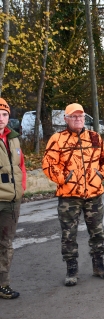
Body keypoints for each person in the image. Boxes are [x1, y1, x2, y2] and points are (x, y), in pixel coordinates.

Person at [42, 103, 104, 287]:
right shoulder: (57, 139)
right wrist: (65, 179)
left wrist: (101, 174)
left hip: (93, 194)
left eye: (80, 116)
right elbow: (48, 165)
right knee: (69, 235)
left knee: (97, 233)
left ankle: (99, 265)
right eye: (73, 117)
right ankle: (71, 270)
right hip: (69, 197)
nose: (78, 119)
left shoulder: (95, 137)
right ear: (65, 119)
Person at [0, 98, 26, 299]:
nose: (1, 118)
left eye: (4, 114)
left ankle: (3, 285)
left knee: (5, 245)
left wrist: (22, 188)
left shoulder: (14, 138)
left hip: (11, 202)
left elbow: (21, 167)